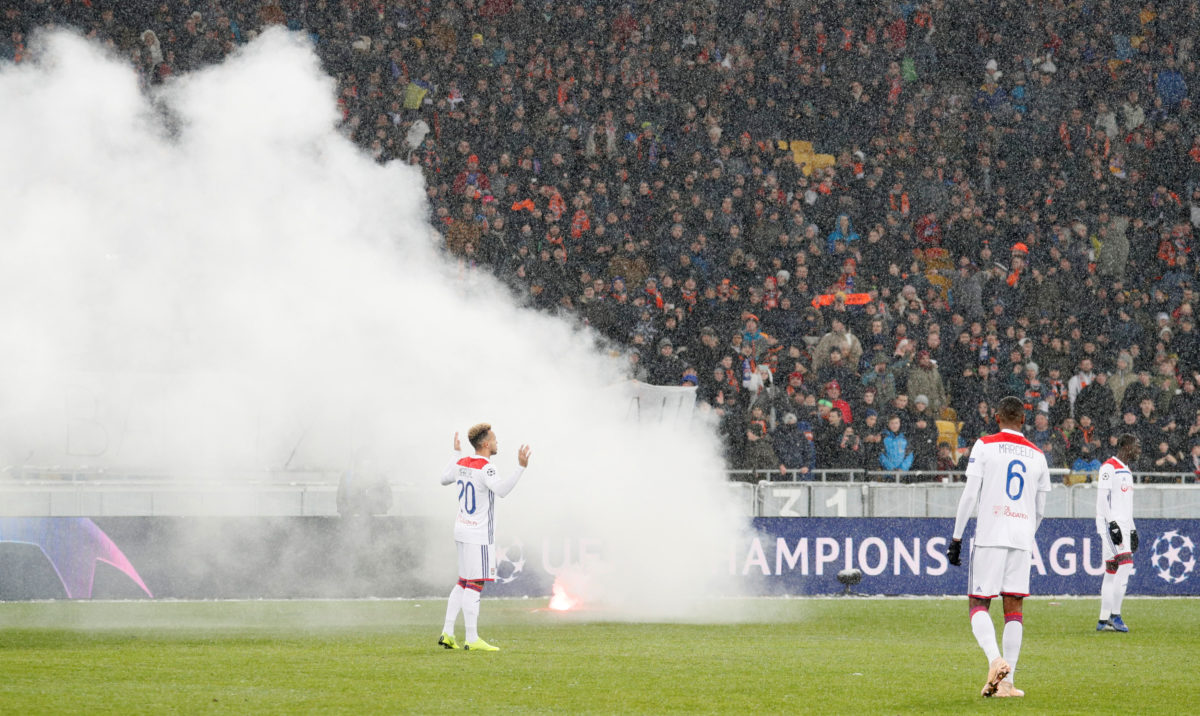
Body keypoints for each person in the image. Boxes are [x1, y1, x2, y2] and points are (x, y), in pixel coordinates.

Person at [947, 396, 1052, 698]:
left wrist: (956, 538)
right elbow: (1041, 509)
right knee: (1014, 608)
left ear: (996, 418)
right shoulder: (1037, 455)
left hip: (991, 533)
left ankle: (995, 662)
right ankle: (1007, 682)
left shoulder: (984, 445)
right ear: (1023, 420)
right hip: (1021, 538)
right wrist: (1025, 532)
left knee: (979, 603)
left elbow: (969, 495)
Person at [438, 423, 532, 651]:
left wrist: (456, 453)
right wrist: (521, 468)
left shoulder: (462, 463)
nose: (497, 443)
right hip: (478, 534)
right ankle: (472, 638)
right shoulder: (487, 468)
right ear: (486, 444)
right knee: (475, 583)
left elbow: (443, 479)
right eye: (495, 439)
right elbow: (501, 490)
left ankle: (448, 633)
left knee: (462, 581)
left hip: (461, 529)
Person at [1095, 434, 1141, 633]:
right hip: (1111, 524)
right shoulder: (1109, 467)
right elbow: (1102, 499)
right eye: (1136, 446)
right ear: (1126, 446)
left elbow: (1126, 505)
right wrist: (1112, 524)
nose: (1138, 450)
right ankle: (1115, 615)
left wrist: (1131, 528)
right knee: (1126, 564)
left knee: (1111, 570)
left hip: (1123, 524)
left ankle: (1103, 619)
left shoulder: (1127, 470)